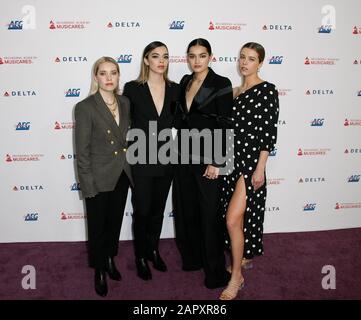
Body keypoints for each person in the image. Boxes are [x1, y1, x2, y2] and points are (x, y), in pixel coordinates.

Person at [219, 42, 279, 300]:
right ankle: (237, 259)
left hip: (249, 164)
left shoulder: (267, 91)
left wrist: (260, 169)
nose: (245, 63)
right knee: (236, 219)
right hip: (230, 161)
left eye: (251, 59)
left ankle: (236, 279)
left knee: (232, 219)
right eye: (242, 57)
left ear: (261, 63)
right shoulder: (234, 91)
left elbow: (268, 133)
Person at [173, 38, 233, 289]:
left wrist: (218, 161)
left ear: (211, 57)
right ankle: (193, 260)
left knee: (209, 215)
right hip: (182, 156)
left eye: (202, 55)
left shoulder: (220, 83)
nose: (196, 60)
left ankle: (215, 273)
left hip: (208, 159)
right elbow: (180, 119)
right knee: (187, 210)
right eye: (192, 56)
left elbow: (226, 123)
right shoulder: (186, 82)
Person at [74, 57, 133, 297]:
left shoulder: (125, 102)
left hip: (122, 173)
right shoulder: (85, 106)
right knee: (97, 226)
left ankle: (109, 259)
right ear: (95, 77)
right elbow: (82, 151)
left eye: (113, 73)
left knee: (114, 222)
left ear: (119, 76)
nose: (109, 78)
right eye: (103, 73)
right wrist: (87, 185)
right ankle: (99, 268)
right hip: (98, 177)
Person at [123, 41, 180, 281]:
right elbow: (124, 123)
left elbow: (180, 124)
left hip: (167, 160)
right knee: (142, 210)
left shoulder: (176, 89)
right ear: (146, 60)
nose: (161, 61)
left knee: (157, 211)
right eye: (155, 56)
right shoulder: (132, 88)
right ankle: (140, 257)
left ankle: (153, 250)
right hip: (141, 160)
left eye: (165, 56)